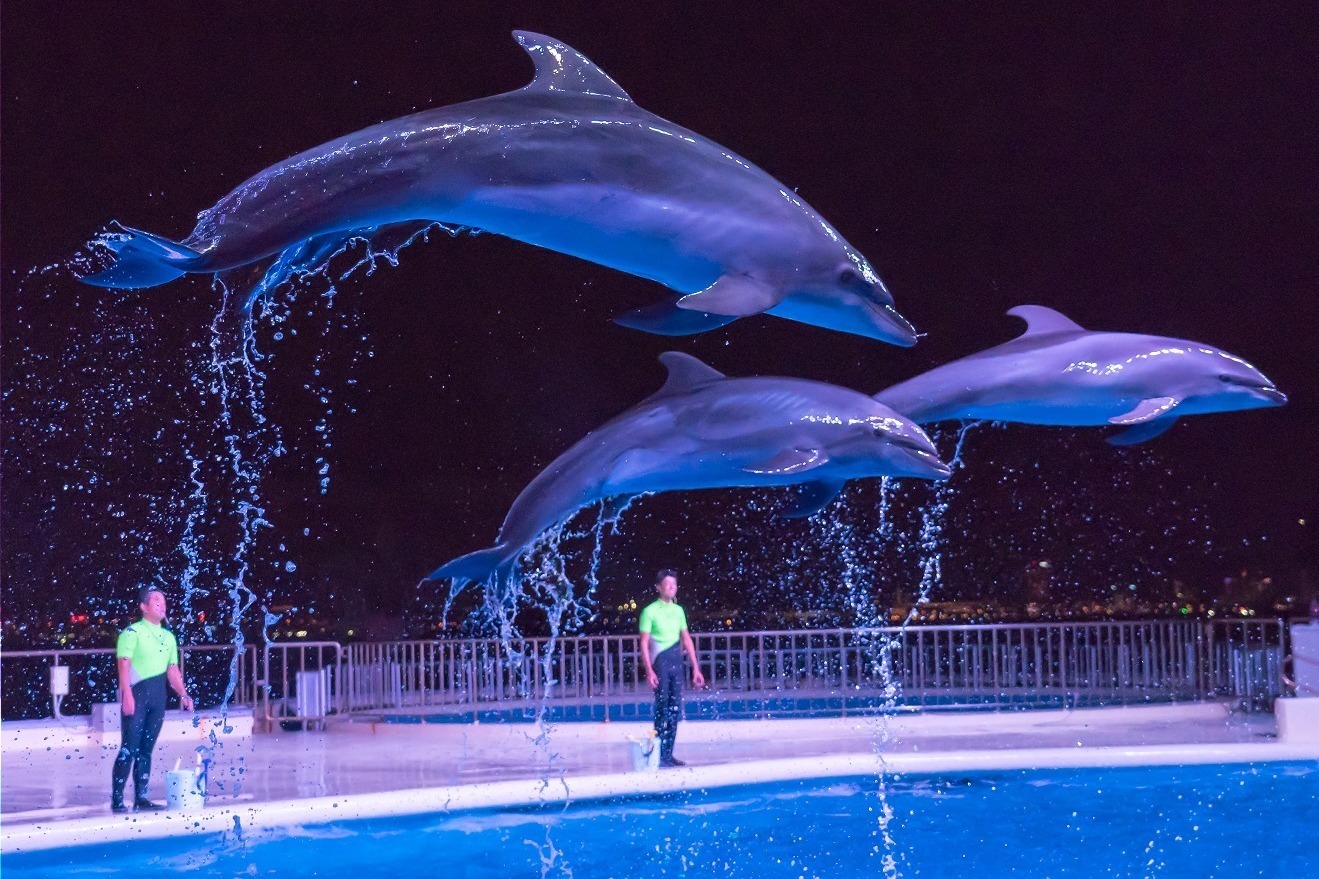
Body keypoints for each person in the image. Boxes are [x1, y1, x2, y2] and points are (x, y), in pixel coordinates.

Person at [112, 586, 193, 812]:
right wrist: (126, 695)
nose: (161, 603)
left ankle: (141, 797)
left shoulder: (169, 637)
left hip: (158, 698)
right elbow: (124, 665)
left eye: (164, 600)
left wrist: (184, 694)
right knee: (129, 748)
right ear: (144, 607)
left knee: (146, 749)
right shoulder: (132, 633)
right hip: (137, 696)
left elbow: (173, 671)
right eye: (156, 600)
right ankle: (117, 800)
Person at [639, 569, 704, 767]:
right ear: (658, 587)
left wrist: (696, 668)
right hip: (660, 661)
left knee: (675, 708)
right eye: (668, 585)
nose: (672, 588)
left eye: (674, 585)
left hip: (676, 661)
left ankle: (668, 753)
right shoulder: (649, 611)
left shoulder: (679, 611)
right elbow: (643, 643)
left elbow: (686, 638)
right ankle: (657, 753)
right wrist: (649, 670)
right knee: (662, 706)